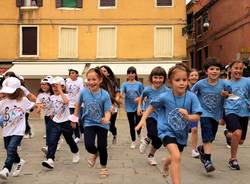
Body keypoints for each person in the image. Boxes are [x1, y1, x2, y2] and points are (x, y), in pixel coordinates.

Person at [136, 63, 202, 184]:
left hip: (181, 133)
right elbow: (151, 106)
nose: (182, 83)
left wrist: (188, 116)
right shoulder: (164, 96)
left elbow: (197, 116)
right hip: (166, 130)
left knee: (174, 157)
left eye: (184, 80)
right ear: (171, 82)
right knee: (176, 156)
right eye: (178, 80)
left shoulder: (192, 97)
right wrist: (142, 120)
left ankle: (166, 164)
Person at [70, 68, 112, 178]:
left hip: (102, 124)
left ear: (100, 80)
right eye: (89, 79)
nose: (91, 82)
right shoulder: (84, 92)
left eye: (94, 79)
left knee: (102, 146)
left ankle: (103, 168)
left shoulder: (105, 94)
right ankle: (95, 153)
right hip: (88, 122)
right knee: (89, 145)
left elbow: (108, 111)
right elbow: (78, 105)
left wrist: (107, 118)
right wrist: (74, 118)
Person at [191, 58, 229, 173]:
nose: (214, 71)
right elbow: (191, 94)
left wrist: (226, 94)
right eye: (211, 69)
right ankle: (207, 161)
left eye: (217, 69)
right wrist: (195, 107)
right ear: (206, 71)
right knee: (207, 134)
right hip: (204, 113)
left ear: (220, 71)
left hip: (216, 114)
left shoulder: (224, 83)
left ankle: (201, 149)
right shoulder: (200, 84)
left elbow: (230, 94)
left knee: (211, 138)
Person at [0, 77, 35, 179]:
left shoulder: (23, 100)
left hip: (19, 130)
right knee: (8, 149)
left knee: (11, 148)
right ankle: (19, 161)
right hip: (7, 131)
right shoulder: (3, 102)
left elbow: (32, 105)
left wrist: (38, 105)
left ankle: (6, 169)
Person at [41, 77, 80, 169]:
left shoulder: (66, 95)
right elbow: (51, 107)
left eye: (57, 86)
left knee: (69, 140)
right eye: (53, 86)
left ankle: (75, 152)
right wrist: (50, 113)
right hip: (55, 122)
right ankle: (50, 159)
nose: (55, 88)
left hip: (66, 122)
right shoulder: (51, 97)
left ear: (63, 87)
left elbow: (66, 101)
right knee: (52, 141)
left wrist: (60, 91)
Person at [137, 66, 169, 166]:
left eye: (160, 78)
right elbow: (141, 98)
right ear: (151, 78)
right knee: (153, 132)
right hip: (150, 115)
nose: (158, 80)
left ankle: (151, 155)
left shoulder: (167, 91)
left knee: (159, 140)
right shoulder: (147, 89)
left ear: (164, 79)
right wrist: (139, 107)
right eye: (155, 77)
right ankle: (147, 138)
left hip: (162, 117)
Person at [223, 60, 250, 170]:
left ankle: (228, 133)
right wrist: (221, 116)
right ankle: (233, 159)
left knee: (241, 140)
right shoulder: (225, 83)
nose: (238, 70)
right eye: (236, 68)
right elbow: (222, 98)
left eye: (241, 68)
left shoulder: (247, 81)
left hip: (244, 112)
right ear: (230, 69)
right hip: (230, 111)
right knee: (237, 132)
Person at [121, 66, 144, 149]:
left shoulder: (139, 84)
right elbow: (121, 92)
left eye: (133, 73)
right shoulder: (124, 84)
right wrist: (120, 95)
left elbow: (143, 94)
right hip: (129, 107)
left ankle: (139, 134)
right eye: (129, 73)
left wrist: (139, 98)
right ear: (127, 75)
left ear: (135, 74)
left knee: (138, 124)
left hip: (138, 107)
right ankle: (133, 141)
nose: (131, 74)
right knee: (131, 125)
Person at [100, 65, 121, 144]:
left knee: (111, 126)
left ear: (108, 73)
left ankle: (114, 134)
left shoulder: (113, 82)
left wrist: (114, 103)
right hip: (102, 107)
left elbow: (118, 94)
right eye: (100, 71)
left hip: (112, 106)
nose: (102, 72)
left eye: (104, 71)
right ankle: (104, 143)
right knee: (104, 124)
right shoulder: (97, 82)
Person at [36, 77, 54, 154]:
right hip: (47, 115)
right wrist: (39, 108)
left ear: (50, 85)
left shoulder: (54, 94)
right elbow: (38, 103)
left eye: (46, 84)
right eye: (42, 84)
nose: (43, 86)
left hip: (54, 116)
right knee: (48, 131)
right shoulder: (40, 95)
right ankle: (49, 146)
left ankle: (49, 146)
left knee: (50, 131)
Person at [66, 68, 84, 144]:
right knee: (73, 120)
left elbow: (82, 91)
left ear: (77, 74)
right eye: (70, 73)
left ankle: (83, 131)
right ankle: (77, 136)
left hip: (79, 103)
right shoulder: (67, 81)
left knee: (80, 120)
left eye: (73, 73)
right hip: (70, 104)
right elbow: (66, 91)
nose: (72, 74)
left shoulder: (80, 81)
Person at [188, 69, 200, 158]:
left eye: (196, 75)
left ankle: (194, 150)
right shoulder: (185, 85)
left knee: (194, 129)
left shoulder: (201, 86)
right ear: (188, 77)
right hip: (185, 110)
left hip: (195, 111)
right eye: (192, 75)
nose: (194, 77)